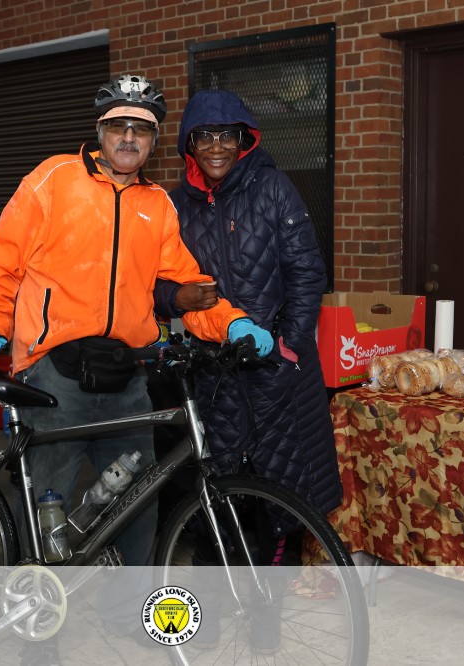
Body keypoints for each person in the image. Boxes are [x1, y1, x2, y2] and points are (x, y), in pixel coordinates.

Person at [0, 75, 273, 666]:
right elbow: (0, 263)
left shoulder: (156, 206)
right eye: (118, 126)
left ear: (154, 140)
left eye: (142, 129)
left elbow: (186, 285)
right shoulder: (52, 180)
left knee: (137, 504)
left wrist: (232, 323)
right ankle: (36, 631)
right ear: (100, 130)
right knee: (46, 506)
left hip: (129, 376)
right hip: (54, 376)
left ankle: (129, 616)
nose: (129, 138)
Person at [156, 88, 341, 535]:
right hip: (214, 373)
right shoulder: (175, 206)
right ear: (189, 144)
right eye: (204, 136)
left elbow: (307, 273)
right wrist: (176, 299)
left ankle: (277, 576)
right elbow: (155, 285)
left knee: (290, 496)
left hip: (278, 367)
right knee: (222, 495)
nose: (216, 147)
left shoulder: (272, 188)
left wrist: (289, 346)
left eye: (228, 135)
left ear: (244, 140)